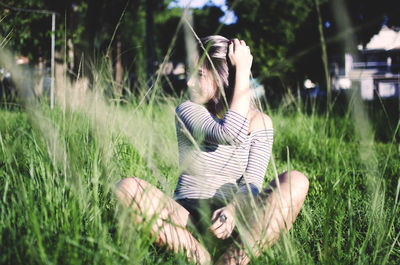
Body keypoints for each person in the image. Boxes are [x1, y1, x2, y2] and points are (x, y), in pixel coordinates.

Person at [116, 35, 309, 264]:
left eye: (198, 74)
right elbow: (229, 133)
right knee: (127, 188)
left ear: (223, 77)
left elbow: (252, 182)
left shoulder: (261, 122)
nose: (188, 82)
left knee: (297, 181)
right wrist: (244, 70)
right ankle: (197, 256)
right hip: (185, 217)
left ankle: (233, 260)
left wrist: (233, 211)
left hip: (237, 220)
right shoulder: (188, 110)